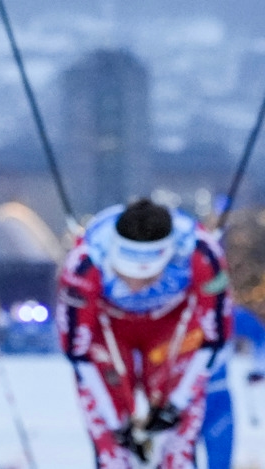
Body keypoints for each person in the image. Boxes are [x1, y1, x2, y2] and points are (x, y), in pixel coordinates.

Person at [57, 198, 234, 469]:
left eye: (149, 277)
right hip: (110, 330)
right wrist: (117, 425)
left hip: (171, 327)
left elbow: (215, 339)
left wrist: (176, 404)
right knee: (112, 451)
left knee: (178, 448)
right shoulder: (86, 261)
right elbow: (77, 352)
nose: (136, 286)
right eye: (124, 274)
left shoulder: (201, 253)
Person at [202, 304, 265, 469]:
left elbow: (258, 336)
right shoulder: (167, 307)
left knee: (220, 454)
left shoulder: (226, 312)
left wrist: (259, 368)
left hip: (217, 393)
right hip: (174, 398)